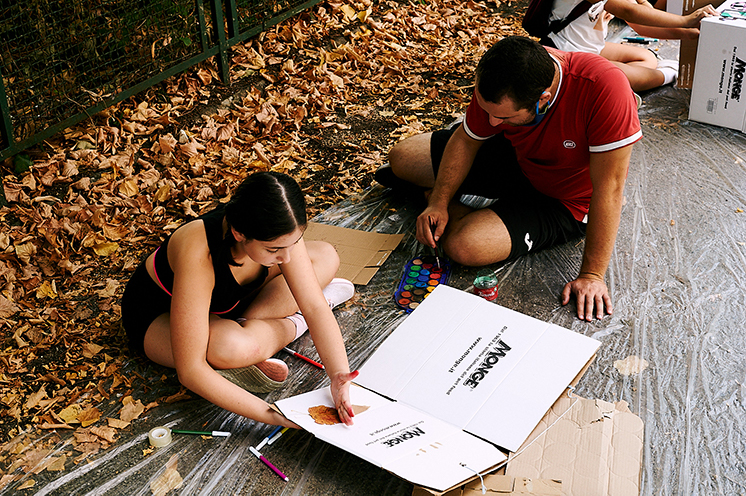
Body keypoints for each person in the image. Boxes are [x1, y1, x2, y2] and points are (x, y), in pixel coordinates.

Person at [380, 36, 642, 321]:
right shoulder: (507, 72)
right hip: (519, 157)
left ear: (542, 99)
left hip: (565, 199)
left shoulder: (604, 88)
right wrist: (440, 203)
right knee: (403, 158)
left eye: (501, 116)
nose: (491, 122)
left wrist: (592, 274)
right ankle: (445, 200)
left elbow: (610, 189)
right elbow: (467, 140)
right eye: (487, 111)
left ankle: (456, 206)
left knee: (464, 246)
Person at [121, 171, 358, 428]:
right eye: (274, 249)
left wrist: (338, 376)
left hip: (230, 305)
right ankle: (292, 324)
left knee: (325, 256)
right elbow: (190, 370)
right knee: (232, 347)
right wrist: (278, 416)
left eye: (294, 243)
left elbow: (314, 305)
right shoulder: (199, 252)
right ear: (238, 233)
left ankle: (251, 327)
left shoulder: (277, 231)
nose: (287, 258)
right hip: (159, 317)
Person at [546, 0, 717, 91]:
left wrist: (685, 33)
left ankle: (616, 83)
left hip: (591, 47)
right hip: (567, 53)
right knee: (635, 77)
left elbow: (640, 23)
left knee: (647, 57)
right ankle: (669, 74)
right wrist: (686, 21)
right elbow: (629, 12)